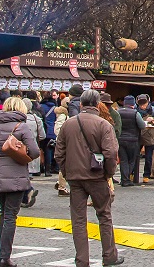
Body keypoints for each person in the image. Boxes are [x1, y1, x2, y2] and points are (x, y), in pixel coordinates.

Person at [55, 90, 122, 267]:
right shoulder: (104, 125)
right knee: (104, 216)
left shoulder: (68, 124)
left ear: (81, 105)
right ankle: (109, 256)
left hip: (75, 178)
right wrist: (108, 174)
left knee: (78, 220)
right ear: (97, 105)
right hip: (97, 176)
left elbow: (59, 153)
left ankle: (81, 260)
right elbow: (110, 153)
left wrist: (67, 172)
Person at [0, 96, 40, 267]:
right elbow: (35, 151)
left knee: (3, 213)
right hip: (16, 174)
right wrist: (22, 155)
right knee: (10, 216)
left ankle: (3, 254)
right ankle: (4, 257)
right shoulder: (21, 127)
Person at [117, 96, 145, 186]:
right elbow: (142, 126)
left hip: (121, 139)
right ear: (133, 104)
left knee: (123, 160)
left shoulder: (118, 112)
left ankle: (124, 179)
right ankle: (127, 178)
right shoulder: (135, 113)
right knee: (131, 160)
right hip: (133, 140)